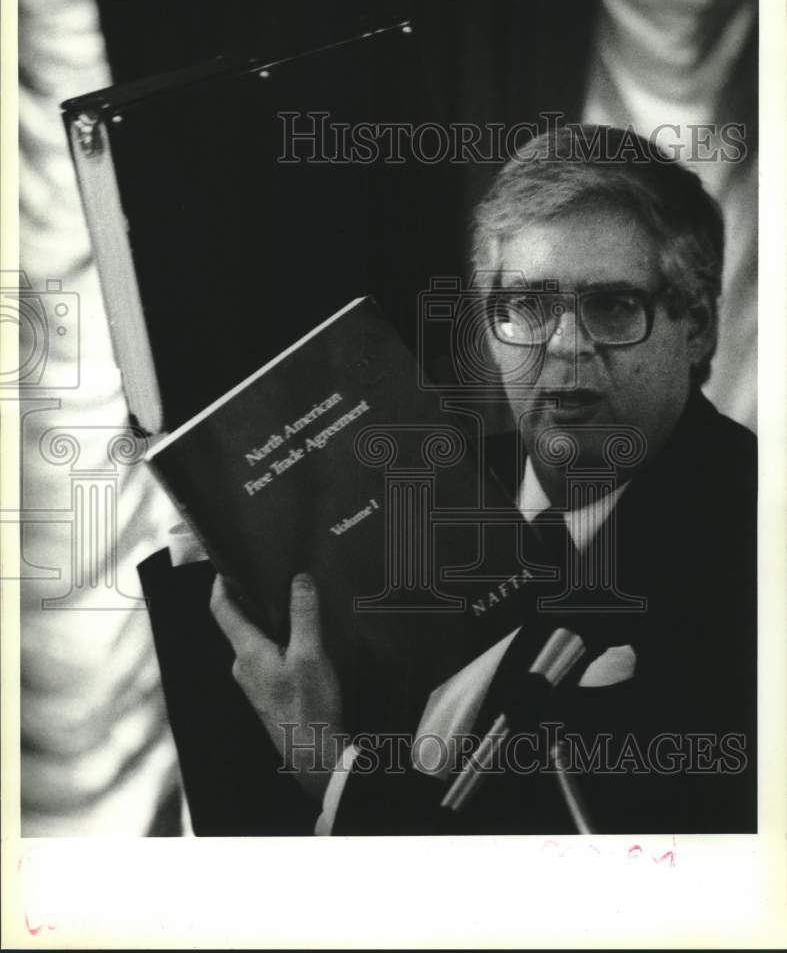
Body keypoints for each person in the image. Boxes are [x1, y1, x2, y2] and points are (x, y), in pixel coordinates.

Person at [210, 126, 757, 834]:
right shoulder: (418, 485)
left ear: (698, 328)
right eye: (526, 306)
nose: (564, 345)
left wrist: (326, 766)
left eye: (613, 306)